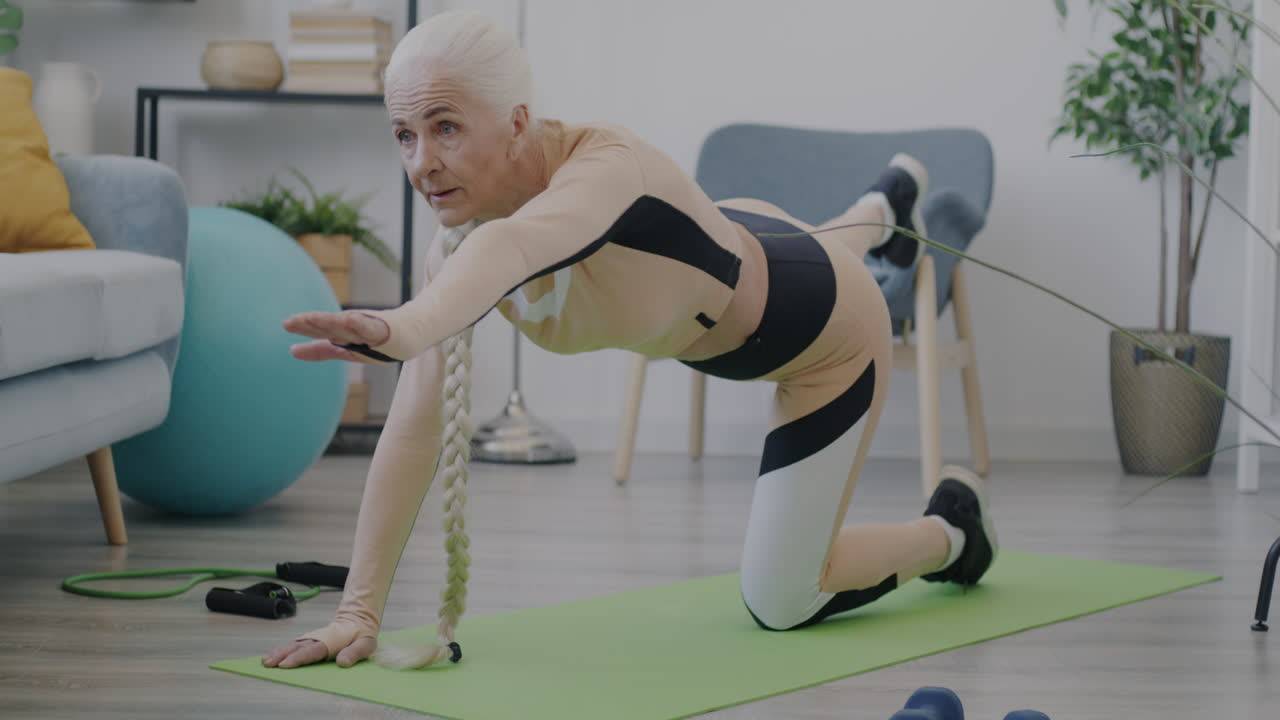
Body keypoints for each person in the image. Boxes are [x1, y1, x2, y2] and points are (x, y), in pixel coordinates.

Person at [263, 10, 997, 672]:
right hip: (737, 246)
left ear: (518, 122)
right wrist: (358, 610)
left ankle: (954, 532)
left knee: (783, 599)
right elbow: (416, 427)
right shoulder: (456, 245)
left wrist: (405, 323)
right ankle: (880, 205)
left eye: (445, 127)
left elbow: (516, 249)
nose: (421, 162)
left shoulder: (606, 167)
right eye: (404, 135)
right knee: (782, 249)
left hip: (825, 335)